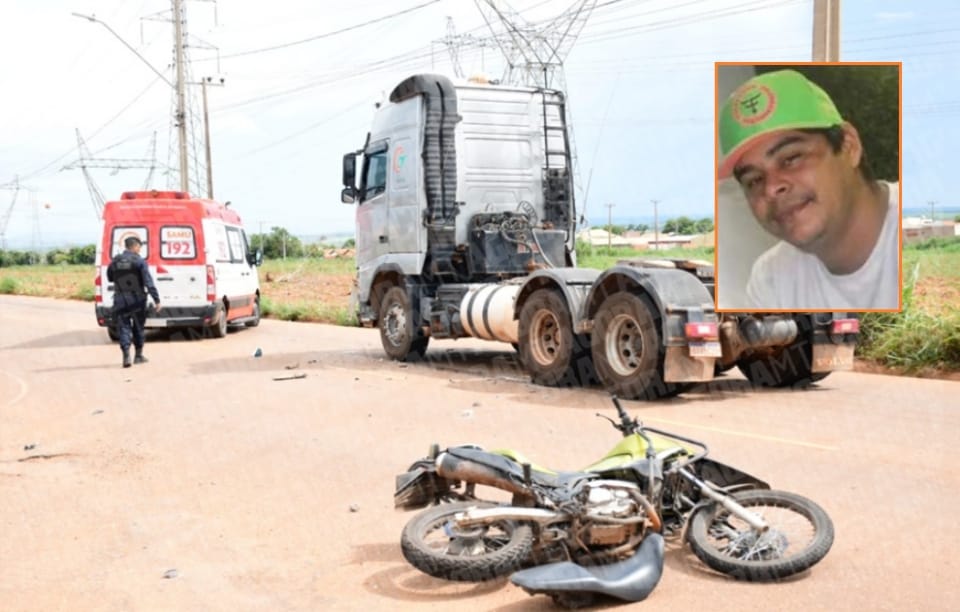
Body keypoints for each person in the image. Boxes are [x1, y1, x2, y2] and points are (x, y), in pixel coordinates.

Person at [718, 68, 899, 310]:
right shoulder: (771, 278)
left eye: (791, 158)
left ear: (848, 146)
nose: (771, 188)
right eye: (754, 180)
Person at [107, 236, 161, 367]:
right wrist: (156, 299)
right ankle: (138, 355)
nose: (139, 249)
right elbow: (148, 281)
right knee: (138, 327)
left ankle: (126, 356)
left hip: (120, 299)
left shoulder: (116, 260)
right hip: (137, 299)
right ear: (135, 246)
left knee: (123, 326)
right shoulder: (139, 261)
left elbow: (109, 277)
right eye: (139, 247)